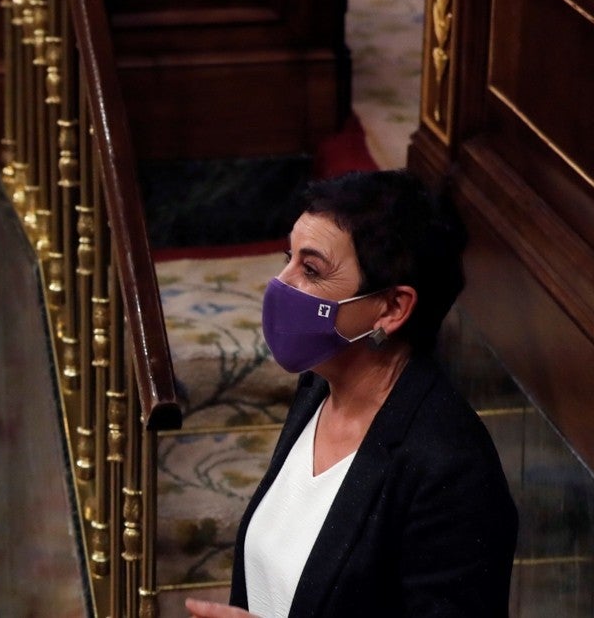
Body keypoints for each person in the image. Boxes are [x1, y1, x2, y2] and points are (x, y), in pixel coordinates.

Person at [186, 170, 517, 618]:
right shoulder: (318, 387)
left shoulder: (450, 469)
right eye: (288, 258)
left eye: (311, 270)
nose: (281, 284)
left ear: (391, 308)